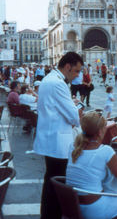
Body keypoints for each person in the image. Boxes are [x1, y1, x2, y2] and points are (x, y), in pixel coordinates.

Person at [35, 51, 85, 219]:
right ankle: (51, 215)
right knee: (56, 182)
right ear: (68, 66)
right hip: (57, 141)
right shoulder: (57, 83)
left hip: (51, 138)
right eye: (77, 71)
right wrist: (76, 106)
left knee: (51, 180)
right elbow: (73, 117)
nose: (77, 75)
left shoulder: (49, 79)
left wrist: (71, 104)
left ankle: (49, 214)